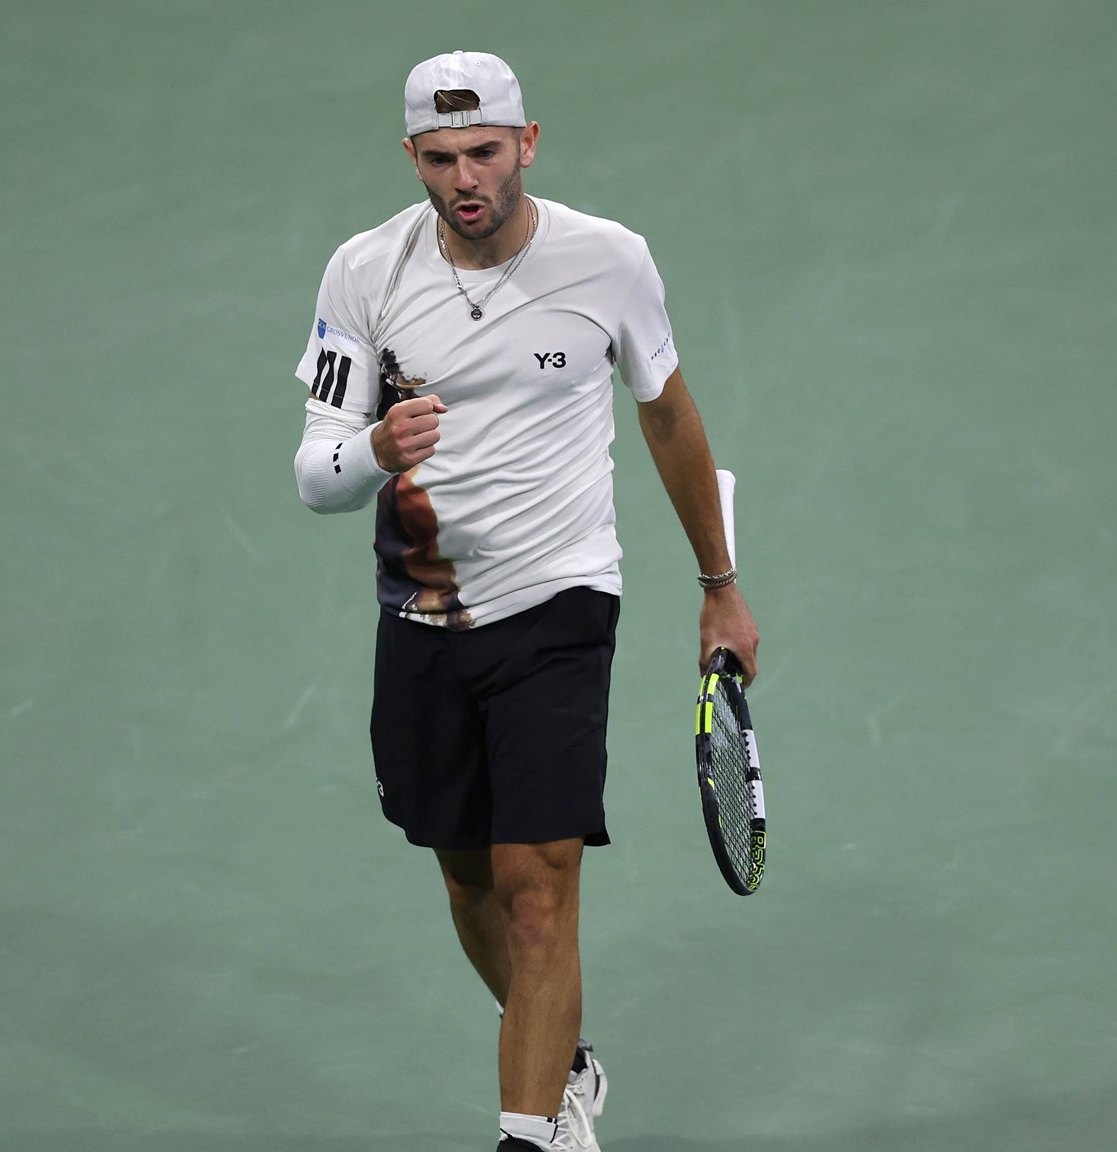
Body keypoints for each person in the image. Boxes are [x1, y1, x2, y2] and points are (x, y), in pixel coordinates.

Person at [288, 51, 759, 1152]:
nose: (465, 179)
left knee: (537, 889)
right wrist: (370, 445)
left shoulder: (609, 262)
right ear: (411, 157)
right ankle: (562, 1059)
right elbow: (314, 476)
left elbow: (667, 416)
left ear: (528, 144)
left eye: (485, 153)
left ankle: (532, 1130)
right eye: (441, 158)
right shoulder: (363, 274)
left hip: (560, 601)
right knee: (468, 885)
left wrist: (719, 588)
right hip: (423, 614)